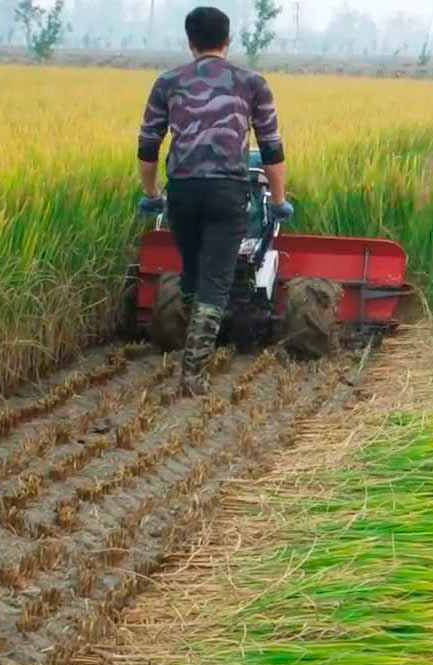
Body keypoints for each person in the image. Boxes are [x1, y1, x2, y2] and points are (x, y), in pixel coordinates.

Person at [136, 6, 293, 396]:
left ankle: (190, 350)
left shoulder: (167, 82)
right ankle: (193, 376)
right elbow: (271, 149)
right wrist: (277, 201)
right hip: (227, 192)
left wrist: (152, 194)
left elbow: (147, 146)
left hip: (183, 192)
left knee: (192, 273)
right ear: (228, 40)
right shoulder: (252, 83)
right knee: (216, 282)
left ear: (190, 42)